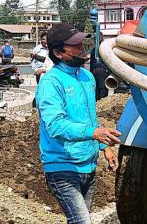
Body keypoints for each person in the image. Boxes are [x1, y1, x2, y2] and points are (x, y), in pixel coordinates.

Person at [35, 23, 121, 224]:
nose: (82, 46)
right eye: (75, 44)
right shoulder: (51, 83)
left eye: (82, 41)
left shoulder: (87, 77)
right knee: (82, 222)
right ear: (59, 52)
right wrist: (94, 133)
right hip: (62, 167)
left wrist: (104, 147)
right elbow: (55, 125)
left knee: (77, 221)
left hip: (88, 167)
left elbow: (90, 118)